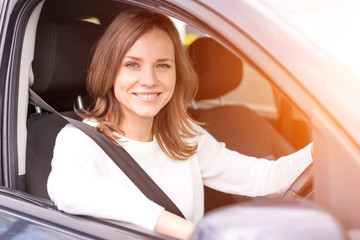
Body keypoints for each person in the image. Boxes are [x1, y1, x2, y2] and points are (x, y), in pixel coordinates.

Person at [47, 8, 313, 240]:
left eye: (162, 65)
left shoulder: (185, 136)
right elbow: (68, 189)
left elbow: (263, 179)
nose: (149, 79)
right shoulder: (80, 139)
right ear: (109, 71)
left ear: (176, 72)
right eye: (132, 64)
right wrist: (192, 232)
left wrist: (325, 148)